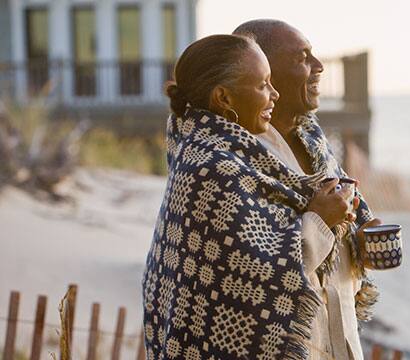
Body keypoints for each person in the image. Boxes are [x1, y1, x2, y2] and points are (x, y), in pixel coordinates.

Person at [142, 34, 357, 360]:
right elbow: (257, 274)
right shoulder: (210, 166)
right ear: (223, 97)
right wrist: (319, 219)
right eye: (263, 84)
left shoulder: (240, 152)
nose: (274, 94)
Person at [234, 20, 383, 360]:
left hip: (338, 340)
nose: (318, 67)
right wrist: (319, 220)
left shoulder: (314, 139)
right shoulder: (234, 159)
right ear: (262, 70)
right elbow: (252, 268)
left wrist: (357, 242)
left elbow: (339, 224)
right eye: (302, 58)